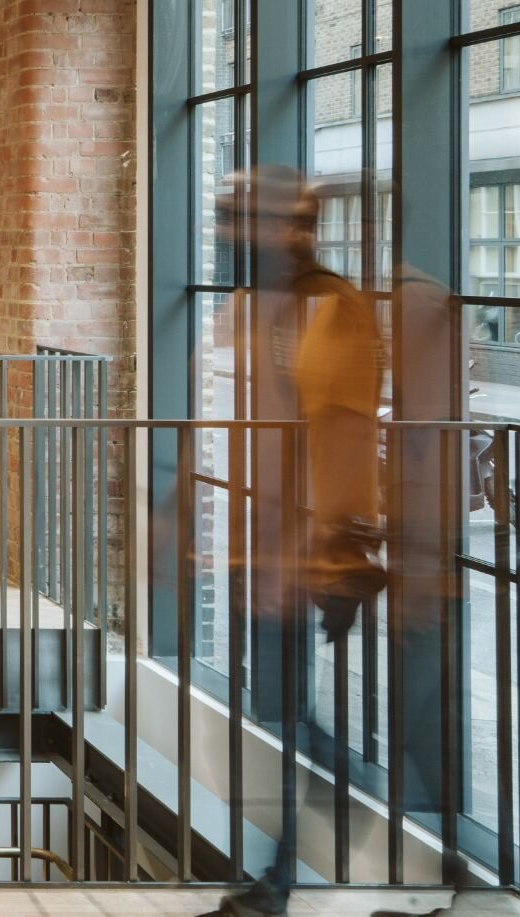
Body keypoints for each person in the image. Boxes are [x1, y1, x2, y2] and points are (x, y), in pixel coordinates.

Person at [206, 166, 387, 916]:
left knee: (287, 706)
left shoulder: (334, 310)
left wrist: (315, 552)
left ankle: (285, 876)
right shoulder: (249, 307)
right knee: (279, 708)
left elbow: (343, 442)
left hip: (307, 554)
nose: (228, 233)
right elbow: (230, 415)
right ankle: (323, 821)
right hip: (260, 544)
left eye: (241, 219)